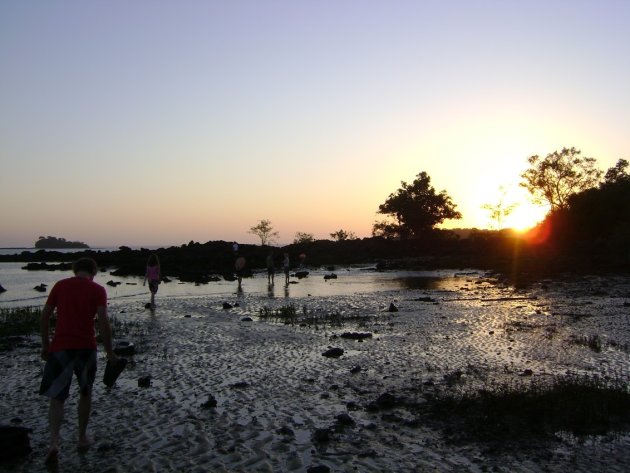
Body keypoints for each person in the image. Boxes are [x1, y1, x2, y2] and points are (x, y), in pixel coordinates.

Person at [39, 257, 116, 465]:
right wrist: (109, 351)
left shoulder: (60, 286)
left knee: (57, 398)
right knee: (85, 392)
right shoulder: (98, 290)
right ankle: (81, 438)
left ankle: (54, 442)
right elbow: (103, 322)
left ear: (75, 270)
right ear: (94, 272)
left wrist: (45, 344)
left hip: (60, 347)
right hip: (85, 348)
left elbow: (45, 316)